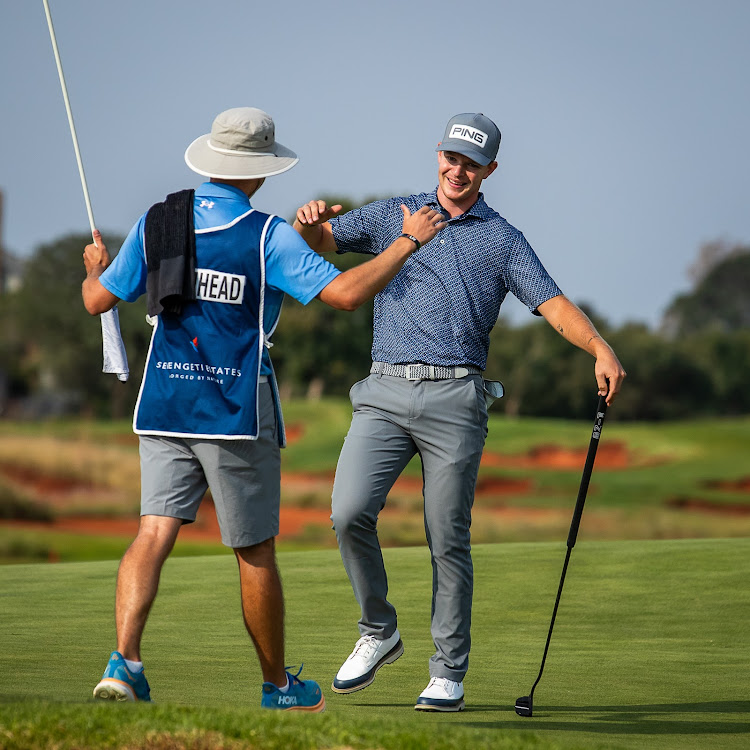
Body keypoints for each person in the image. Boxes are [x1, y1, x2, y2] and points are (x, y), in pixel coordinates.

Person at [81, 107, 446, 711]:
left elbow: (97, 299)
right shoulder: (265, 234)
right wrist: (408, 239)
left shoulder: (157, 220)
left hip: (165, 404)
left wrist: (95, 268)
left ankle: (125, 661)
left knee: (152, 533)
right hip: (233, 411)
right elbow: (348, 295)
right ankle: (278, 687)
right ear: (260, 171)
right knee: (253, 552)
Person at [294, 112, 626, 712]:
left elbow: (551, 303)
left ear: (489, 170)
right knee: (347, 513)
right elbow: (327, 243)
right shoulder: (397, 213)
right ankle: (379, 630)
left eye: (471, 163)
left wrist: (599, 346)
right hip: (385, 392)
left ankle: (448, 671)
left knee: (446, 534)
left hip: (456, 398)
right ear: (438, 156)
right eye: (451, 158)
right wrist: (311, 222)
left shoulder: (502, 238)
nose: (458, 170)